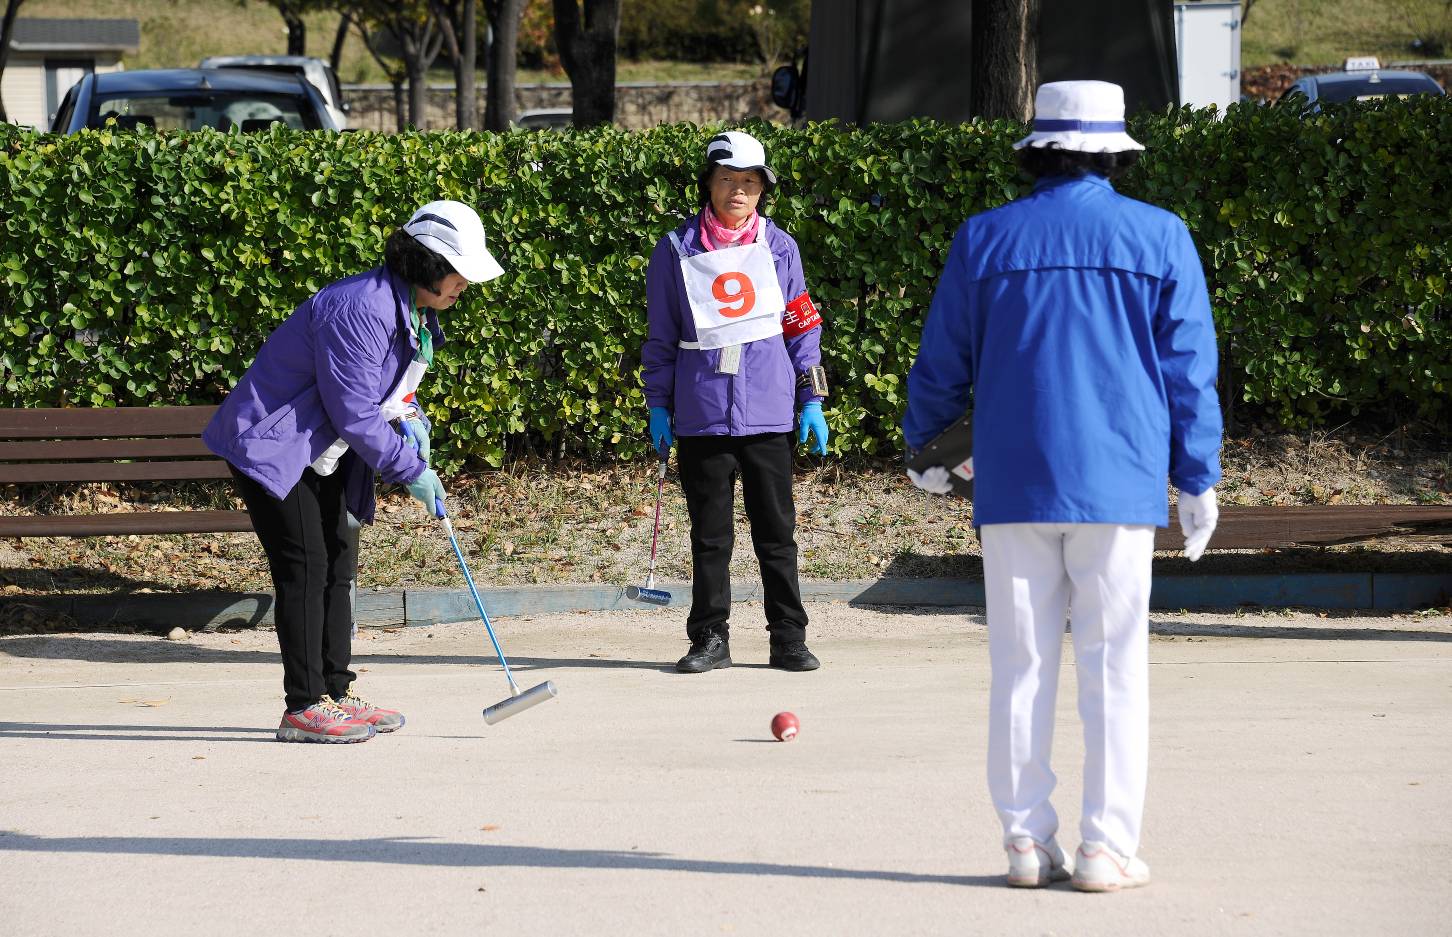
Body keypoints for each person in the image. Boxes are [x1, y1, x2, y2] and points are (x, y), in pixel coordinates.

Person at [901, 81, 1223, 891]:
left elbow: (942, 361)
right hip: (1117, 480)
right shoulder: (1161, 236)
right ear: (1115, 152)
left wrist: (925, 450)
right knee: (1115, 666)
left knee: (1020, 664)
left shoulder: (983, 239)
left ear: (1037, 148)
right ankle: (1105, 848)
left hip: (1011, 479)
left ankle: (1022, 840)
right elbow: (1190, 372)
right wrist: (1197, 474)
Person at [204, 200, 504, 743]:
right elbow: (354, 411)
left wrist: (411, 416)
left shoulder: (416, 310)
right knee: (305, 565)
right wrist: (409, 467)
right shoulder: (359, 308)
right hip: (274, 445)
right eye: (459, 272)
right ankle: (303, 706)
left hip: (324, 451)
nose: (465, 284)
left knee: (338, 562)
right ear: (426, 263)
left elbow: (388, 392)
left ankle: (336, 692)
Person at [642, 130, 830, 674]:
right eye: (727, 180)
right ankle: (709, 639)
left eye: (749, 183)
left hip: (769, 411)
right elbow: (661, 333)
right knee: (710, 536)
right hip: (702, 413)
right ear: (708, 184)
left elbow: (801, 324)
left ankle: (788, 639)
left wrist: (811, 397)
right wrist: (659, 402)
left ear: (762, 190)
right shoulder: (676, 249)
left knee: (777, 533)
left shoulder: (780, 247)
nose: (738, 192)